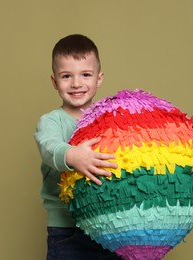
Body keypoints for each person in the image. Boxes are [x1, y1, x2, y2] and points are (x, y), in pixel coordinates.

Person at [35, 34, 122, 260]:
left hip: (110, 226)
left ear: (99, 79)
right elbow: (48, 147)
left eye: (85, 75)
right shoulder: (51, 121)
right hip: (67, 231)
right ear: (54, 81)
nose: (76, 83)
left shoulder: (110, 118)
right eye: (66, 76)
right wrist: (73, 156)